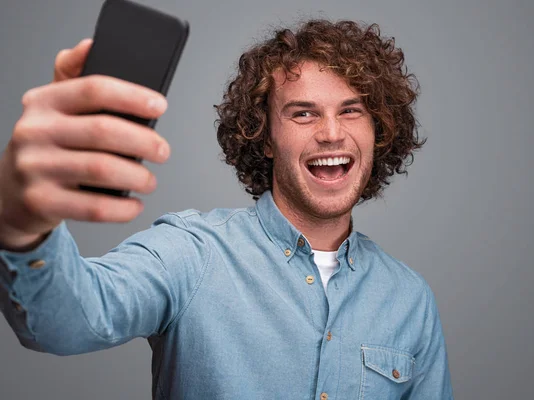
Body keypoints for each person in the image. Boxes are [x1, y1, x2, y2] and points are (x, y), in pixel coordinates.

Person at [0, 19, 453, 399]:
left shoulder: (410, 300)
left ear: (379, 131)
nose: (332, 133)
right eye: (303, 114)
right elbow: (66, 323)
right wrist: (21, 223)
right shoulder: (191, 253)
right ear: (265, 136)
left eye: (351, 110)